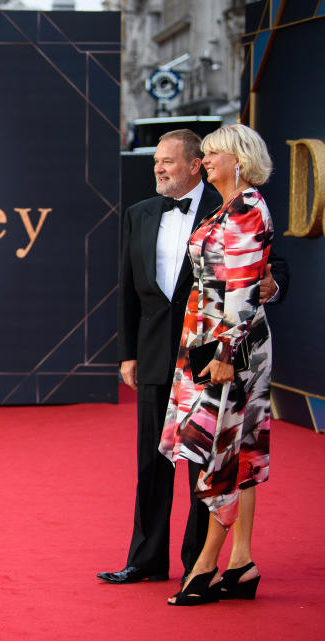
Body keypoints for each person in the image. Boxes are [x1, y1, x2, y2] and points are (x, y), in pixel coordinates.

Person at [98, 129, 288, 587]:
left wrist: (271, 286)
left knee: (205, 458)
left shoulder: (229, 207)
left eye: (168, 160)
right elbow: (128, 289)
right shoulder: (139, 214)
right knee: (152, 461)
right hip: (157, 353)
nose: (159, 168)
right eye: (156, 162)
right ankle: (145, 560)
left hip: (208, 353)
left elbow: (267, 266)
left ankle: (198, 563)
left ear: (194, 164)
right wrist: (127, 354)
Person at [160, 124, 277, 605]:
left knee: (219, 453)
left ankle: (206, 565)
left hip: (230, 348)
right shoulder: (229, 209)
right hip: (209, 343)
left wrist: (227, 354)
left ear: (240, 159)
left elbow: (244, 294)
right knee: (240, 450)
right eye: (204, 153)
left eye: (213, 153)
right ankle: (242, 562)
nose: (205, 160)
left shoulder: (248, 210)